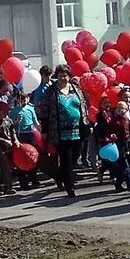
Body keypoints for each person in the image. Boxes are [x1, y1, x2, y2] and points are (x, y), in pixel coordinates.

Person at [37, 64, 87, 198]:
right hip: (59, 132)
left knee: (75, 158)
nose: (63, 78)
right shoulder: (51, 92)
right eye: (60, 76)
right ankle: (70, 188)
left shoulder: (76, 89)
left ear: (69, 76)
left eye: (65, 75)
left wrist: (87, 125)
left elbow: (84, 107)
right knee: (66, 159)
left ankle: (59, 176)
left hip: (77, 130)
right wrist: (45, 129)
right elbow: (45, 111)